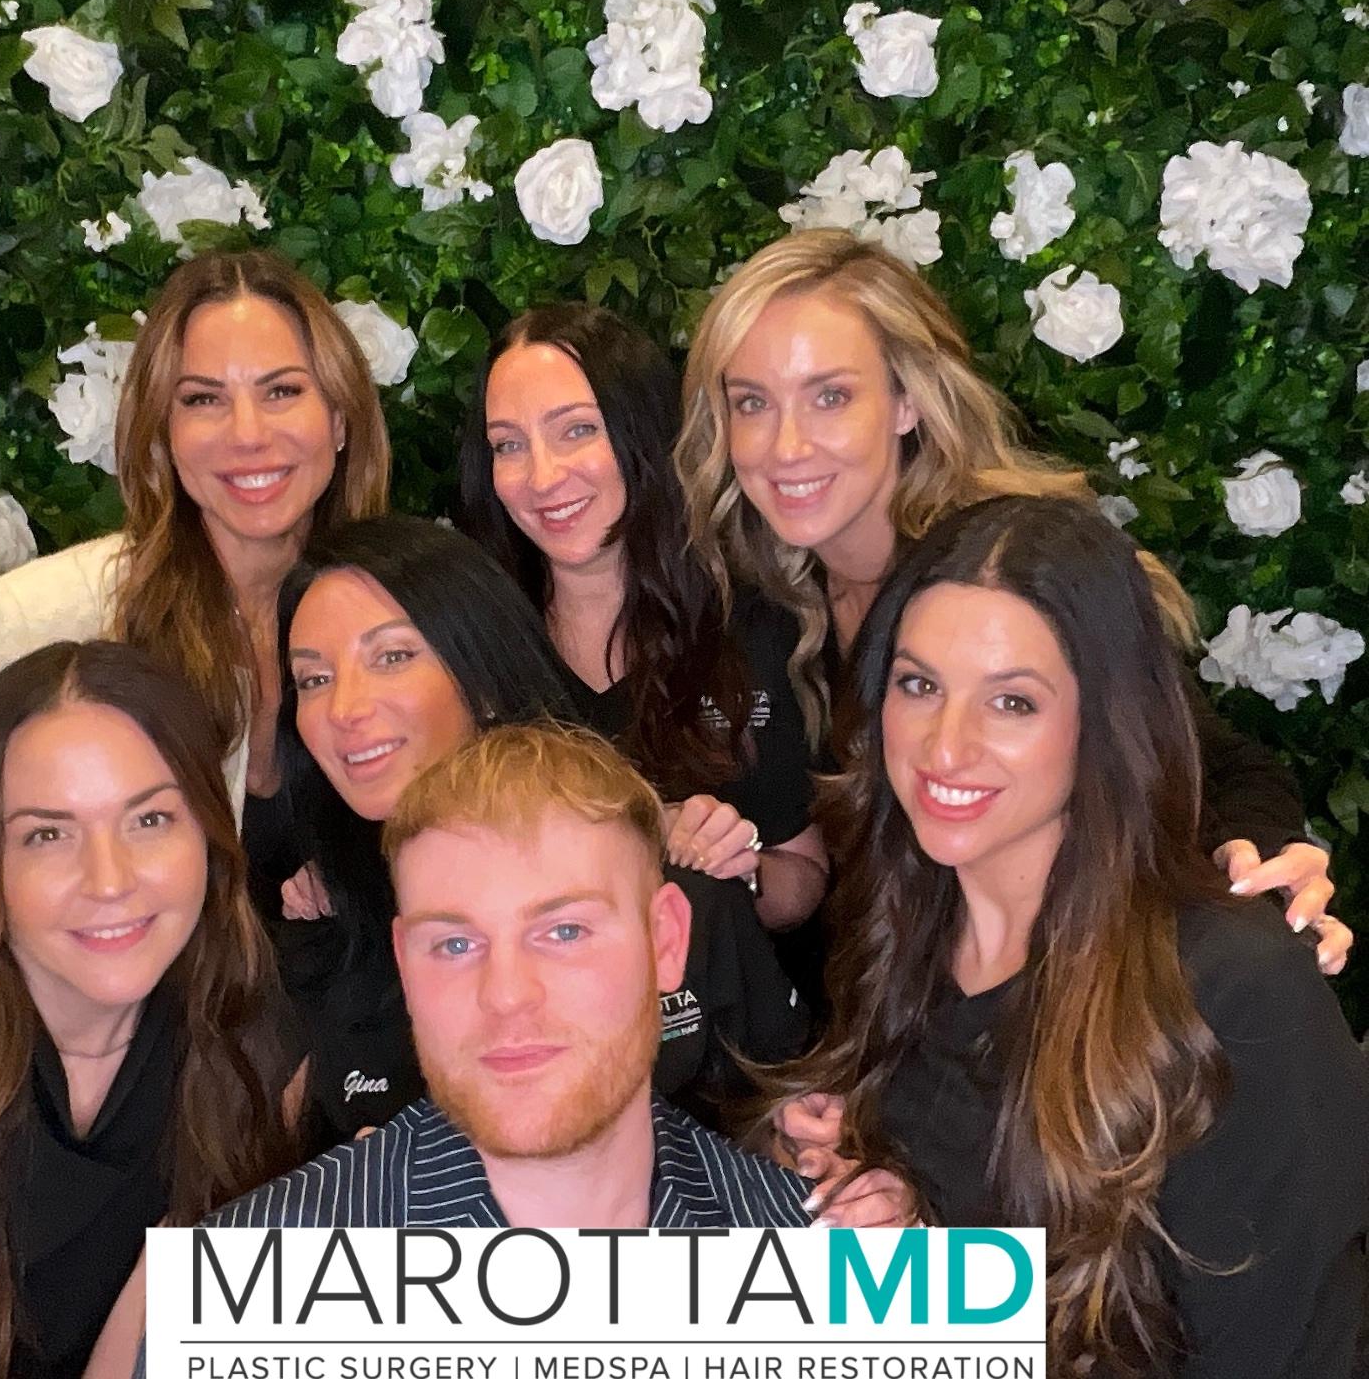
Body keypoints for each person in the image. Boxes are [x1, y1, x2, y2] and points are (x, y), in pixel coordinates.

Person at [771, 496, 1369, 1377]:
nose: (945, 747)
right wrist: (880, 1203)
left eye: (1012, 702)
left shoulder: (1232, 988)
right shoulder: (894, 933)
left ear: (1103, 721)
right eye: (919, 685)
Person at [675, 228, 1350, 971]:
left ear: (908, 402)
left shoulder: (1013, 571)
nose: (786, 446)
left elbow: (1222, 771)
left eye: (829, 396)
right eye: (751, 403)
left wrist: (1258, 862)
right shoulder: (764, 600)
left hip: (1078, 982)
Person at [0, 249, 390, 925]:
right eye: (203, 400)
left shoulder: (398, 611)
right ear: (162, 433)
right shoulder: (41, 616)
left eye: (282, 391)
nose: (248, 434)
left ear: (340, 418)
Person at [272, 515, 808, 1146]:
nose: (344, 709)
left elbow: (795, 1138)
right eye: (314, 679)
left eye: (392, 656)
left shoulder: (667, 892)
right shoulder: (324, 925)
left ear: (483, 673)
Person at [0, 641, 300, 1379]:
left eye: (149, 820)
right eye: (48, 834)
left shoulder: (250, 1022)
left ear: (208, 829)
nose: (109, 880)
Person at [211, 722, 812, 1230]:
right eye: (454, 944)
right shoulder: (247, 1281)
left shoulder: (826, 1262)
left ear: (667, 942)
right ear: (405, 962)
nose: (505, 994)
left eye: (565, 932)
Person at [460, 305, 827, 932]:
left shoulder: (746, 626)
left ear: (643, 433)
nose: (543, 476)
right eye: (509, 445)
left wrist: (738, 865)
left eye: (577, 430)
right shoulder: (467, 639)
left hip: (713, 989)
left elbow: (805, 877)